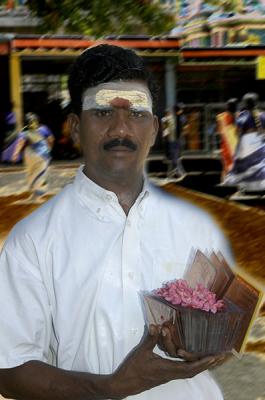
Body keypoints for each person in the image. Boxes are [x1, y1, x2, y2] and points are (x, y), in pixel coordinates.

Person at [0, 44, 233, 400]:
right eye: (103, 111)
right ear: (76, 127)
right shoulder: (32, 240)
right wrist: (108, 388)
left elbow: (213, 324)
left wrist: (205, 348)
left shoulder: (195, 227)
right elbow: (8, 371)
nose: (121, 128)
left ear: (154, 129)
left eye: (137, 113)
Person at [223, 92, 265, 191]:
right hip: (260, 142)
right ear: (257, 103)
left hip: (246, 144)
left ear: (245, 104)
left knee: (241, 165)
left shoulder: (242, 117)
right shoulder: (263, 116)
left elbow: (238, 133)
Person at [11, 112, 54, 201]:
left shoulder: (24, 131)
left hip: (29, 155)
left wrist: (15, 154)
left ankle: (33, 194)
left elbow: (20, 143)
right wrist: (49, 148)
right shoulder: (43, 129)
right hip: (42, 155)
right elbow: (51, 139)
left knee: (30, 174)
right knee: (40, 175)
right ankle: (37, 195)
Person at [216, 98, 239, 179]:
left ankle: (225, 183)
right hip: (237, 146)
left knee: (225, 167)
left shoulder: (220, 117)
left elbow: (219, 131)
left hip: (226, 146)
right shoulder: (240, 116)